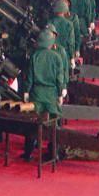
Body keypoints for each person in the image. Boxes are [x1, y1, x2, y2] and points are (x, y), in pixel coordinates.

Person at [21, 29, 66, 160]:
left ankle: (28, 153)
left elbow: (29, 77)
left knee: (33, 122)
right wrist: (59, 95)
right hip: (51, 94)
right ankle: (54, 154)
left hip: (37, 94)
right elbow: (59, 79)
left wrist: (26, 92)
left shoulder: (34, 57)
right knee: (55, 123)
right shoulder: (57, 57)